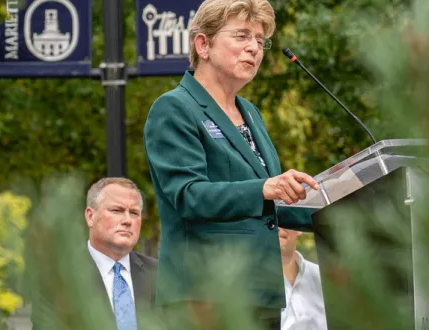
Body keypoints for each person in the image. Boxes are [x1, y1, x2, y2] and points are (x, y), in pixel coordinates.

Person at [143, 0, 320, 328]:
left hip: (261, 292)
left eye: (260, 39)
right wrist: (266, 187)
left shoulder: (250, 113)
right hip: (205, 295)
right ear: (203, 44)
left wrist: (335, 213)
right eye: (242, 36)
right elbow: (189, 196)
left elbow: (267, 206)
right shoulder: (175, 109)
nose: (254, 47)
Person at [31, 178, 158, 330]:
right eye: (117, 210)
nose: (127, 220)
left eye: (134, 213)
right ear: (90, 216)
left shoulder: (159, 274)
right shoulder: (57, 278)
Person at [278, 228, 327, 330]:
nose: (275, 226)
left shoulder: (325, 280)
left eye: (284, 215)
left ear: (299, 228)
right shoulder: (242, 288)